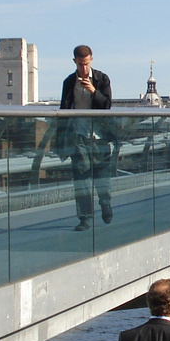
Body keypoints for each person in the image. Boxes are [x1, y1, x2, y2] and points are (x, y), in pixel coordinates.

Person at [58, 45, 114, 231]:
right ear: (74, 61)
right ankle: (85, 219)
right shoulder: (68, 82)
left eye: (86, 64)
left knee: (102, 178)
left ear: (92, 60)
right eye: (81, 64)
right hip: (78, 137)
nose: (84, 68)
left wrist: (93, 91)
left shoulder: (101, 79)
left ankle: (105, 203)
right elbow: (63, 111)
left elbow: (106, 106)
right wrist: (61, 142)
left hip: (100, 137)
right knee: (81, 179)